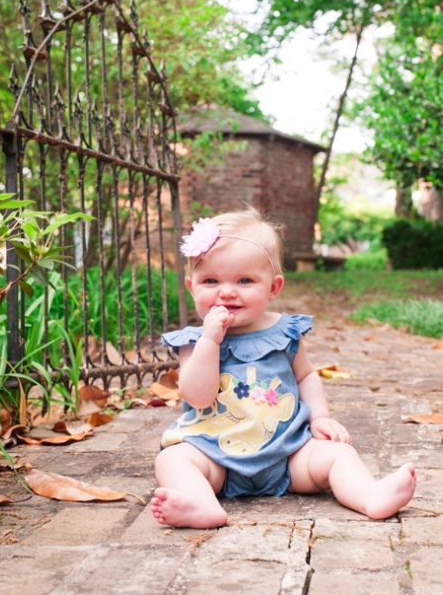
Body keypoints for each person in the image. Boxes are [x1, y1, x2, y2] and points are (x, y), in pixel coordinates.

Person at [150, 209, 417, 528]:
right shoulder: (193, 341)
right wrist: (210, 341)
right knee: (171, 459)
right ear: (192, 287)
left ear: (273, 287)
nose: (227, 291)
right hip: (215, 456)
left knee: (338, 454)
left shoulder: (285, 332)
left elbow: (306, 376)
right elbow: (198, 397)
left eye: (245, 280)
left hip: (288, 453)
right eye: (211, 281)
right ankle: (201, 505)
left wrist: (320, 418)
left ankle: (369, 495)